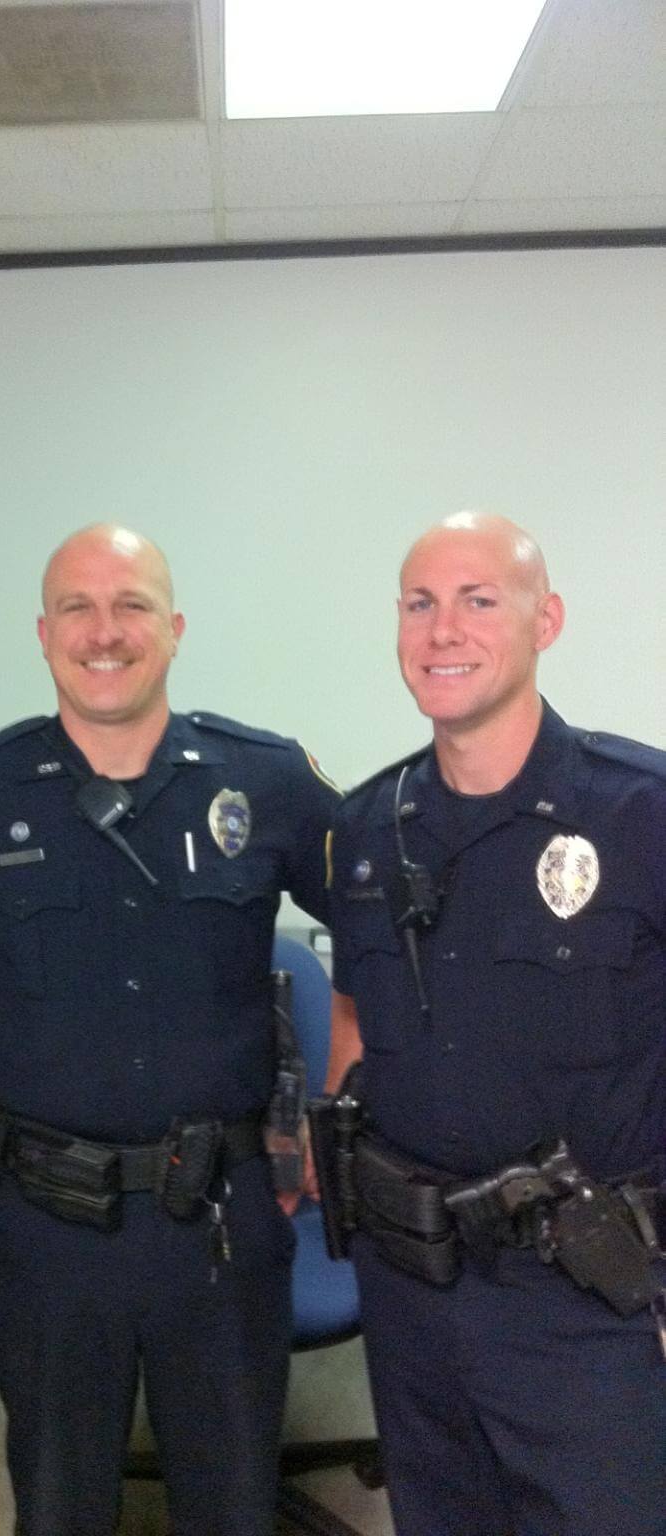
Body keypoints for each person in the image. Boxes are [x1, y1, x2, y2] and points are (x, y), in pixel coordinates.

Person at [0, 523, 340, 1536]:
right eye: (78, 609)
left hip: (221, 1214)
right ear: (42, 633)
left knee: (231, 1505)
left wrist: (332, 1106)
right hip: (50, 1219)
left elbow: (371, 929)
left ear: (173, 628)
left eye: (131, 605)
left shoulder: (266, 780)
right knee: (58, 1502)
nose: (104, 632)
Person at [326, 512, 666, 1535]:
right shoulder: (365, 828)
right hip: (412, 1291)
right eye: (419, 604)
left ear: (543, 621)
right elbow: (354, 1023)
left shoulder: (639, 811)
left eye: (478, 600)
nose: (443, 630)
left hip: (588, 1295)